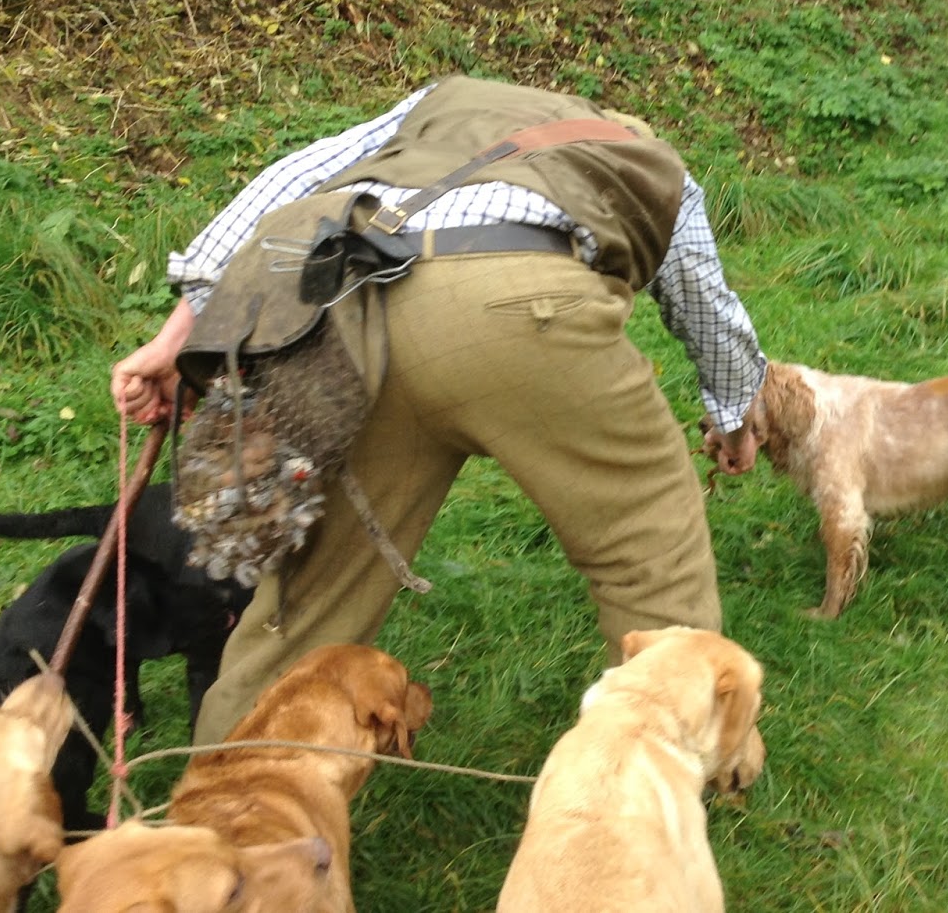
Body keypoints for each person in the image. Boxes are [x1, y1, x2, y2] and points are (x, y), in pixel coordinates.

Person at [111, 74, 766, 743]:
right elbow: (705, 306)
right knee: (648, 545)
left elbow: (292, 178)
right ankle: (663, 778)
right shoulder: (650, 161)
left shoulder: (446, 100)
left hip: (350, 322)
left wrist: (179, 330)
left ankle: (222, 818)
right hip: (522, 308)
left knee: (310, 606)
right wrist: (736, 411)